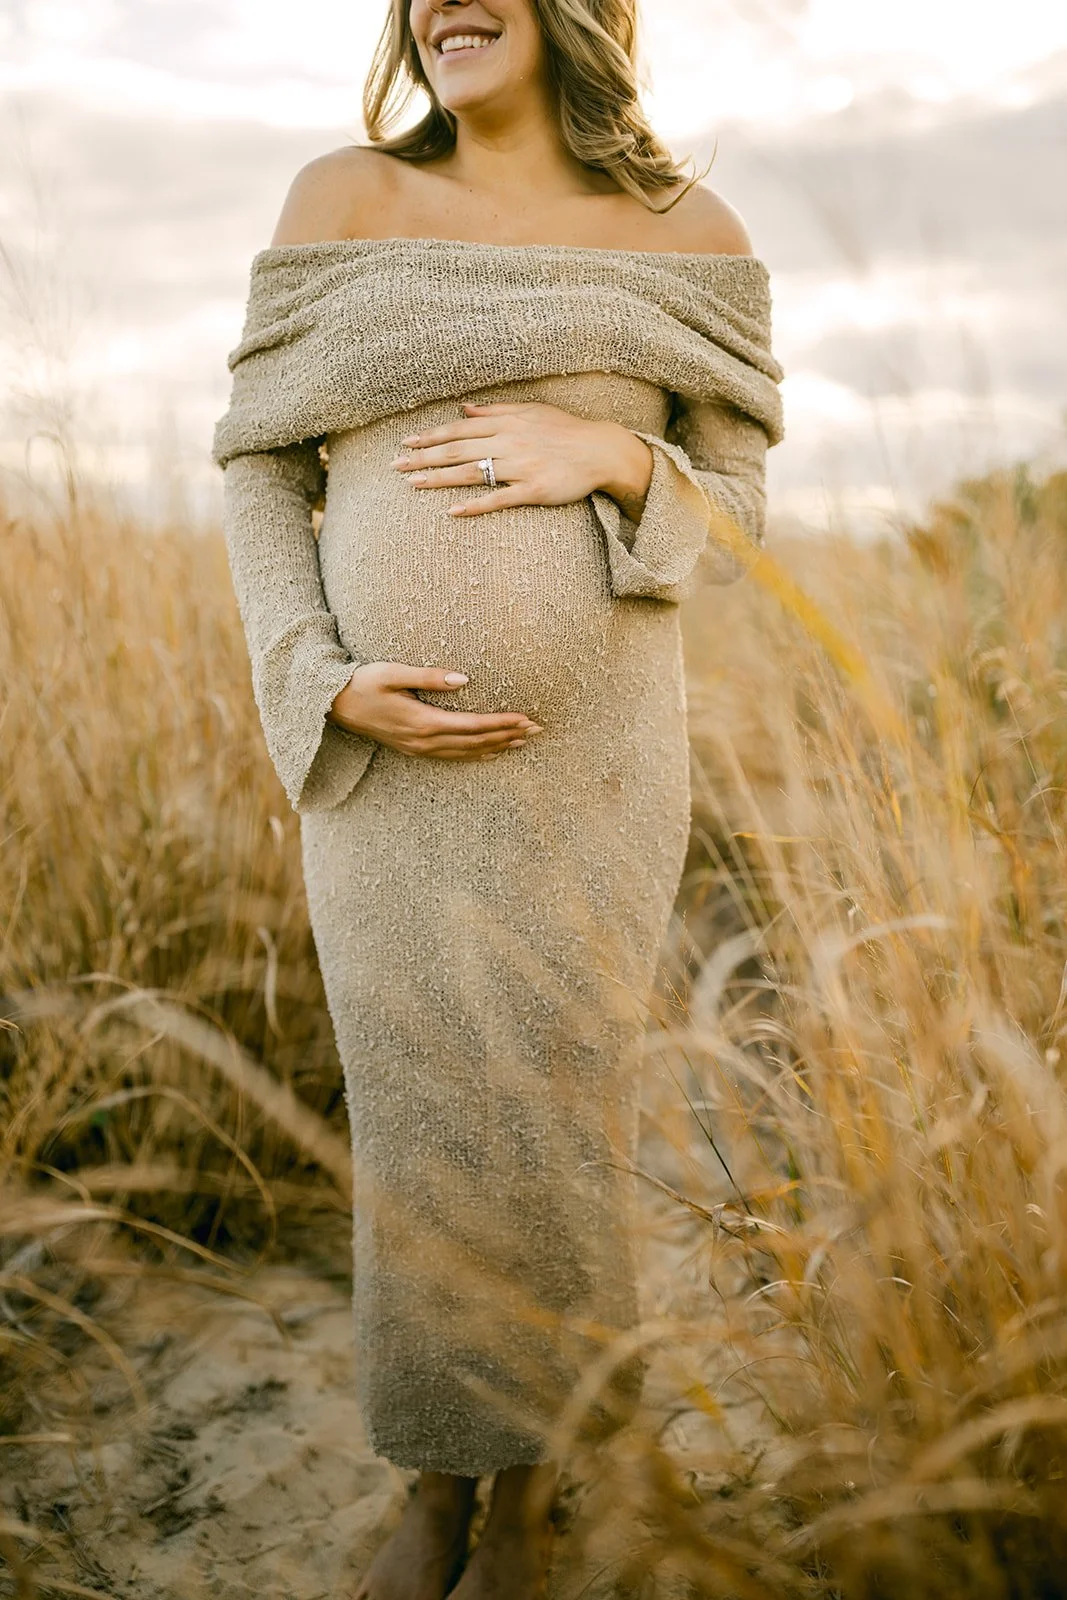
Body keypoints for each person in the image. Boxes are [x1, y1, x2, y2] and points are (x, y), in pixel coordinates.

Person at [212, 0, 785, 1594]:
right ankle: (433, 1487)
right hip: (382, 775)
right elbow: (262, 466)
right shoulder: (342, 200)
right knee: (416, 1117)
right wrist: (316, 675)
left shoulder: (693, 233)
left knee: (556, 1107)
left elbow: (735, 508)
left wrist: (606, 452)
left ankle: (532, 1493)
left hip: (596, 769)